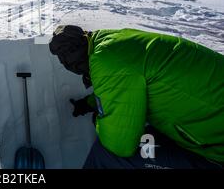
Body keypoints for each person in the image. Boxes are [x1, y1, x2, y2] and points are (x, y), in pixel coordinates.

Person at [49, 25, 224, 169]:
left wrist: (99, 121)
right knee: (145, 136)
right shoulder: (111, 40)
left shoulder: (106, 60)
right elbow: (127, 84)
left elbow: (120, 146)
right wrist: (91, 103)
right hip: (209, 123)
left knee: (104, 155)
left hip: (215, 149)